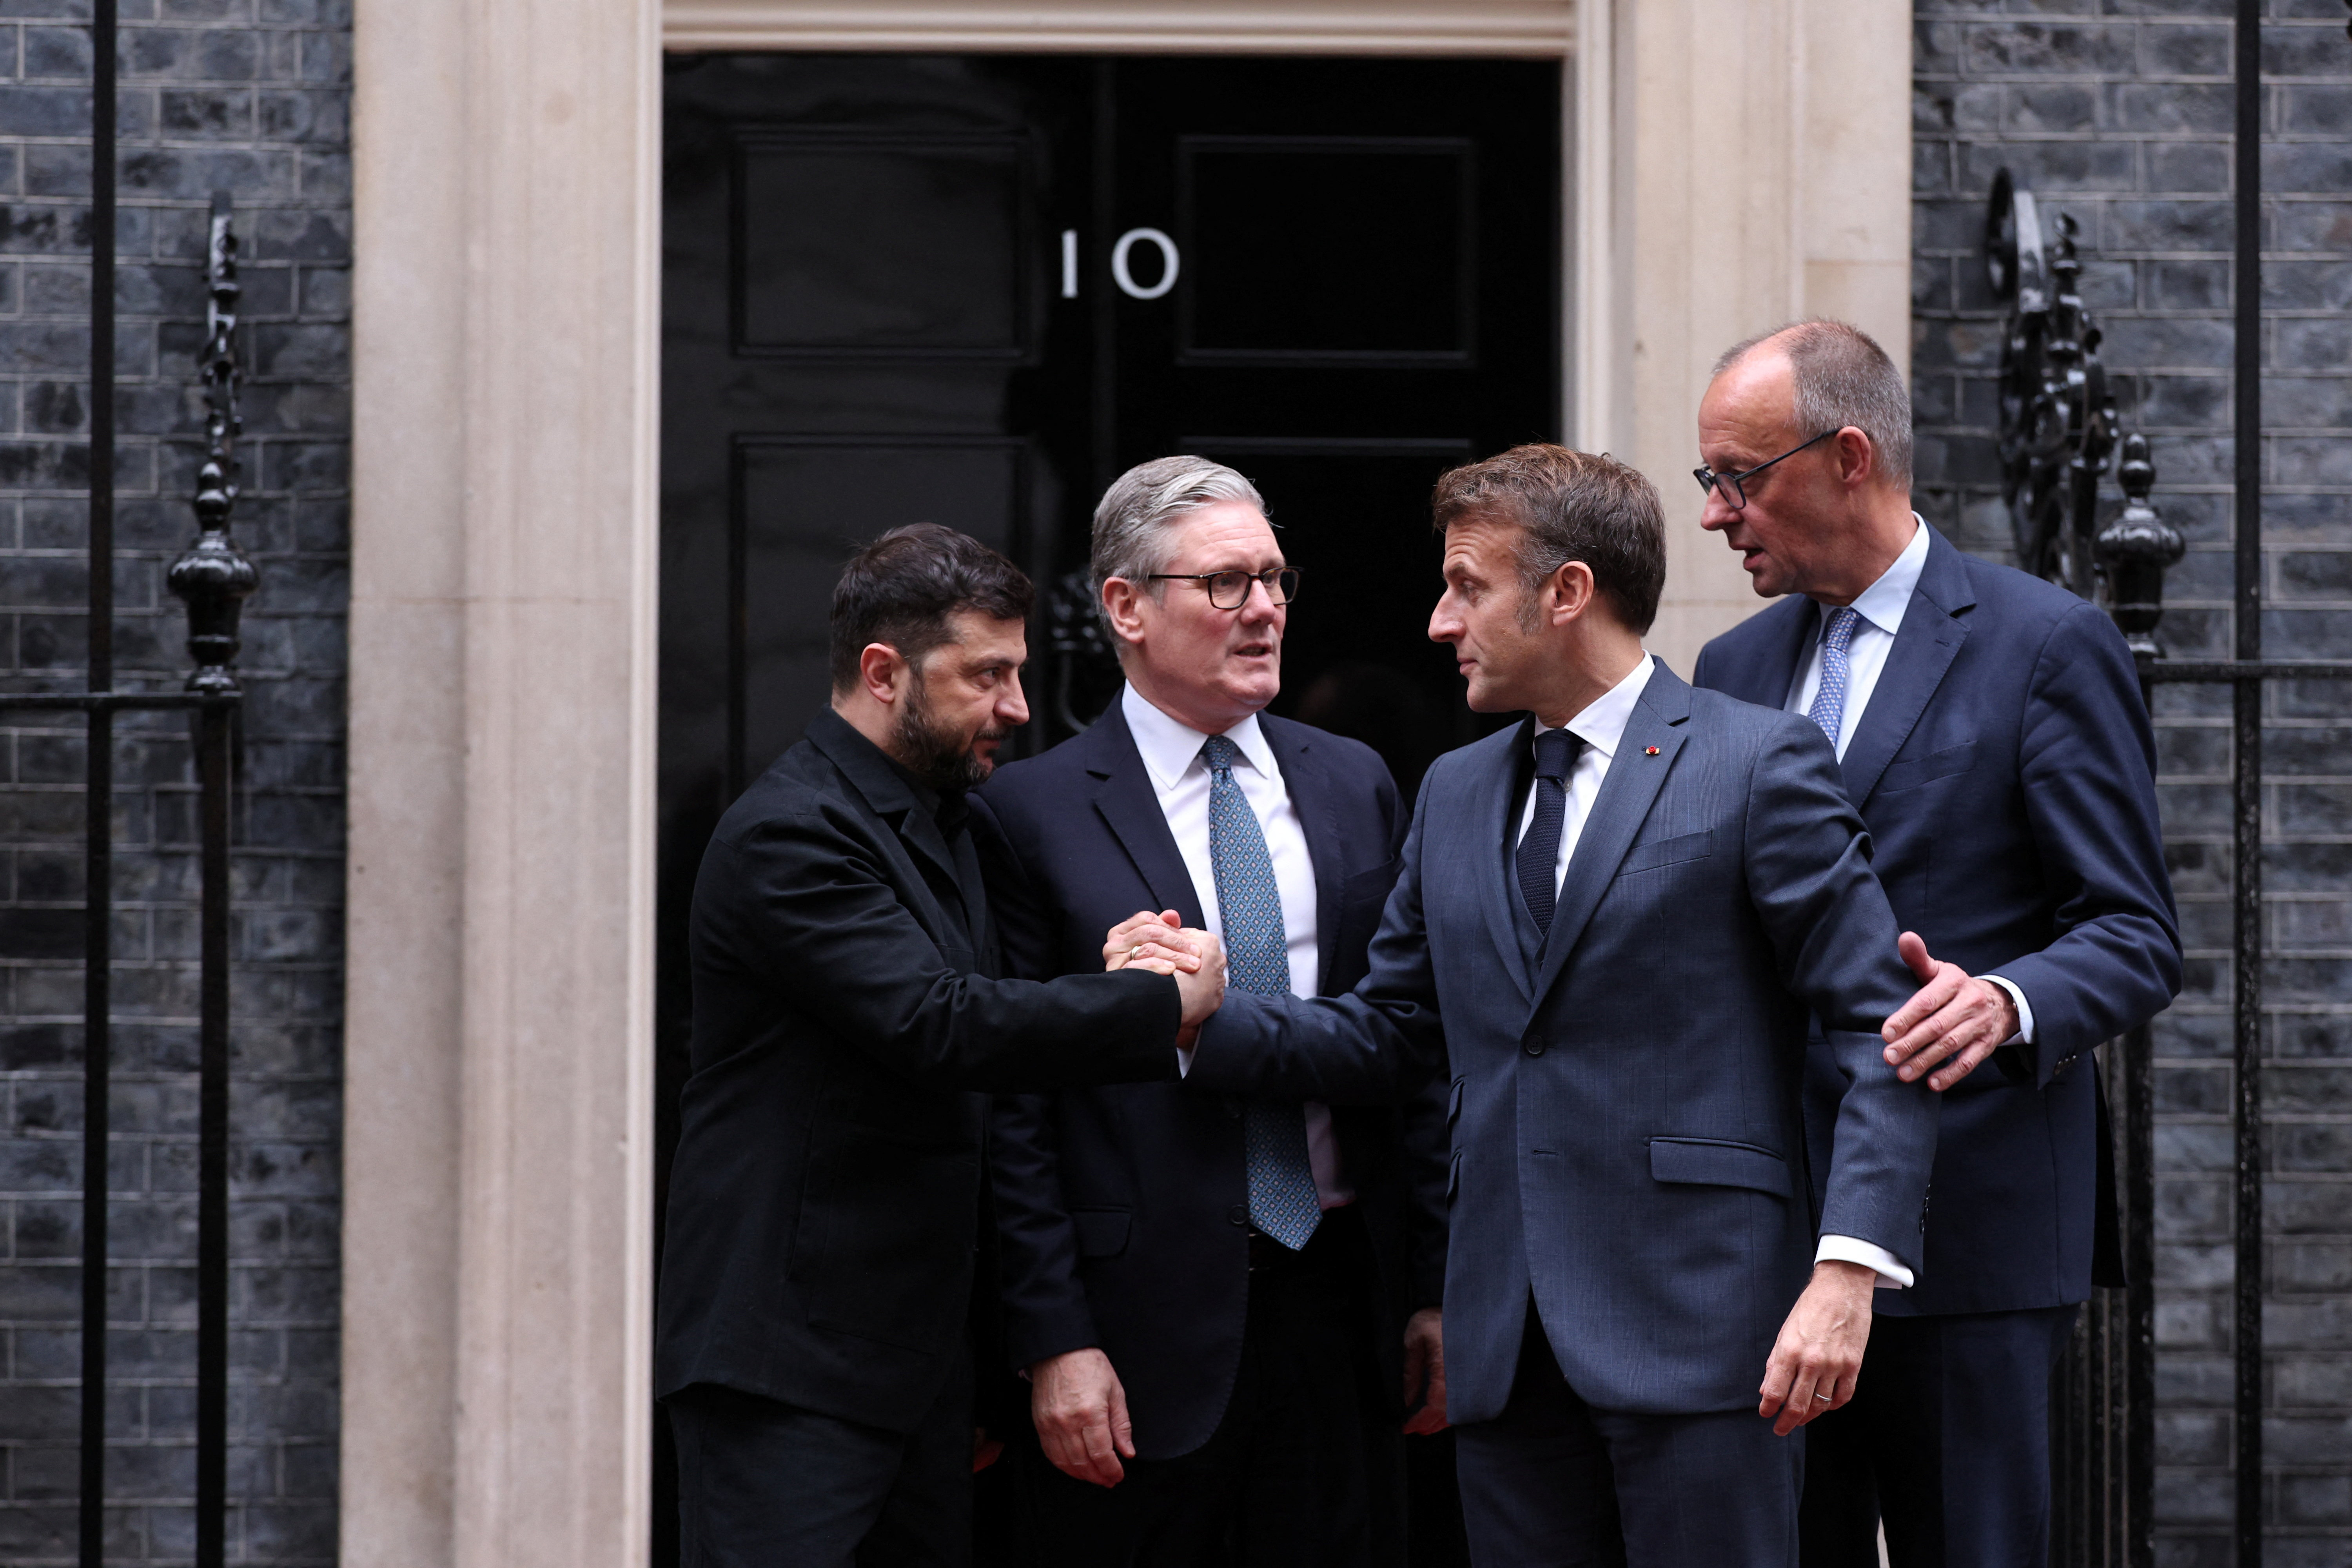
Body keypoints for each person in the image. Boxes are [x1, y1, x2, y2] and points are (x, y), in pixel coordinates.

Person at [1127, 446, 1942, 1566]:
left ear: (1566, 595)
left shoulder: (1760, 765)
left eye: (1467, 585)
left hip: (1710, 1335)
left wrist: (1849, 1271)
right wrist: (1192, 1021)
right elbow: (1391, 1032)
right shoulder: (1455, 792)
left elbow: (1878, 1029)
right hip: (1505, 1348)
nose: (1437, 621)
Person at [1688, 321, 2181, 1568]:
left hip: (1974, 1221)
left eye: (1740, 478)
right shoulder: (1730, 666)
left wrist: (2010, 1003)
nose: (1717, 514)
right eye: (1711, 482)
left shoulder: (2046, 641)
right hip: (1772, 1226)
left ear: (1848, 455)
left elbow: (2133, 931)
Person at [653, 524, 1226, 1568]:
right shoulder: (793, 834)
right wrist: (1157, 1005)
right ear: (884, 674)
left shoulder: (948, 819)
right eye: (988, 677)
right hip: (791, 1371)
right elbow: (941, 1023)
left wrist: (1123, 967)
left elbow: (991, 1010)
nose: (1017, 707)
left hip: (916, 1373)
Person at [976, 457, 1450, 1566]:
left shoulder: (1354, 782)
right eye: (1228, 584)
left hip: (1342, 1298)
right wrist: (1052, 1340)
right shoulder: (1028, 813)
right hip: (1136, 1326)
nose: (1266, 611)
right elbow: (1009, 1102)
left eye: (1277, 581)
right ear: (1126, 607)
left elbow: (1412, 1050)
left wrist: (1433, 1291)